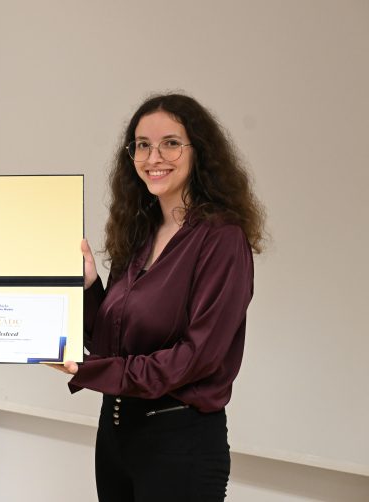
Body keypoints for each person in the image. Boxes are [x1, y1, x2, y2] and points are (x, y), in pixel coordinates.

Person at [57, 93, 265, 501]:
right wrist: (88, 287)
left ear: (198, 150)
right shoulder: (139, 230)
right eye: (143, 145)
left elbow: (197, 357)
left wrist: (90, 370)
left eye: (171, 143)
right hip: (115, 435)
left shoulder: (221, 238)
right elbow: (112, 342)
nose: (154, 157)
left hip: (179, 443)